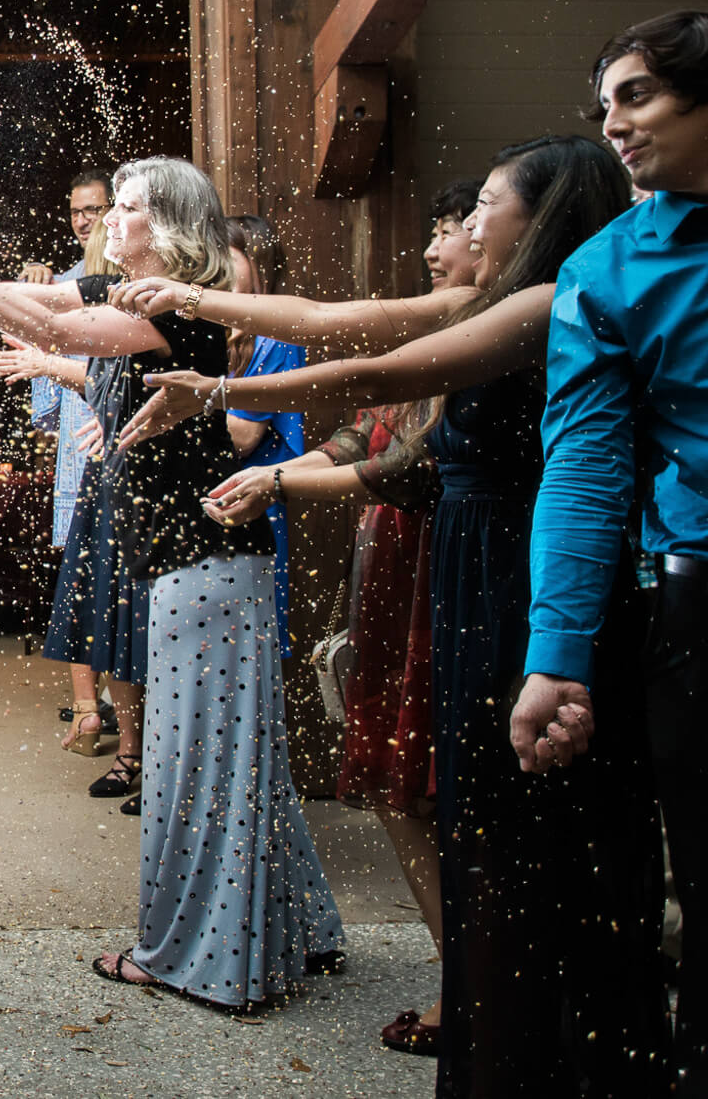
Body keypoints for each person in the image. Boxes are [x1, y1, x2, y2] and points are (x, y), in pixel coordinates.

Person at [117, 135, 665, 1095]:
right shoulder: (481, 300)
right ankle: (507, 1034)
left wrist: (222, 387)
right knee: (473, 810)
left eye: (486, 202)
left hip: (510, 567)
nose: (462, 222)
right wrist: (196, 300)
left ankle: (552, 1044)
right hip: (468, 566)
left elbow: (374, 376)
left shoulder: (545, 305)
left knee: (514, 816)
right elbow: (338, 318)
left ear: (538, 218)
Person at [0, 156, 344, 1010]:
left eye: (126, 209)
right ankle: (302, 930)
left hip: (209, 566)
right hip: (199, 566)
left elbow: (55, 331)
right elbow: (40, 310)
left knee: (196, 771)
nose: (107, 222)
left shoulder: (176, 314)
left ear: (172, 227)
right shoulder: (131, 300)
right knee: (235, 764)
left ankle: (198, 960)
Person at [198, 177, 482, 1055]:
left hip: (447, 567)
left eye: (458, 228)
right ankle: (462, 970)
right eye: (433, 229)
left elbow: (398, 457)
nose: (436, 248)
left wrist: (270, 466)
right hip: (396, 566)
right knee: (405, 784)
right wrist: (285, 467)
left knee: (437, 782)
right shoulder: (436, 325)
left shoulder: (490, 328)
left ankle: (475, 982)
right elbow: (365, 429)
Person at [515, 10, 708, 1097]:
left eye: (631, 96)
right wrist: (558, 656)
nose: (610, 126)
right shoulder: (609, 269)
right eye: (601, 107)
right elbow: (583, 475)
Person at [0, 216, 123, 760]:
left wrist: (41, 361)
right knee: (103, 585)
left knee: (88, 583)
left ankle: (94, 711)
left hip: (96, 455)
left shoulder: (119, 302)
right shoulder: (104, 292)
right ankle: (105, 710)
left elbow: (94, 376)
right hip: (101, 457)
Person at [221, 215, 305, 655]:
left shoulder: (277, 334)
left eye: (226, 256)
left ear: (256, 262)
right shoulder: (222, 330)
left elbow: (243, 436)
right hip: (219, 494)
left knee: (250, 637)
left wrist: (183, 407)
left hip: (256, 498)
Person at [16, 168, 112, 284]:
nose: (80, 223)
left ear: (116, 210)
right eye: (75, 212)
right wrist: (35, 275)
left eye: (92, 210)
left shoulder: (136, 266)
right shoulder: (77, 273)